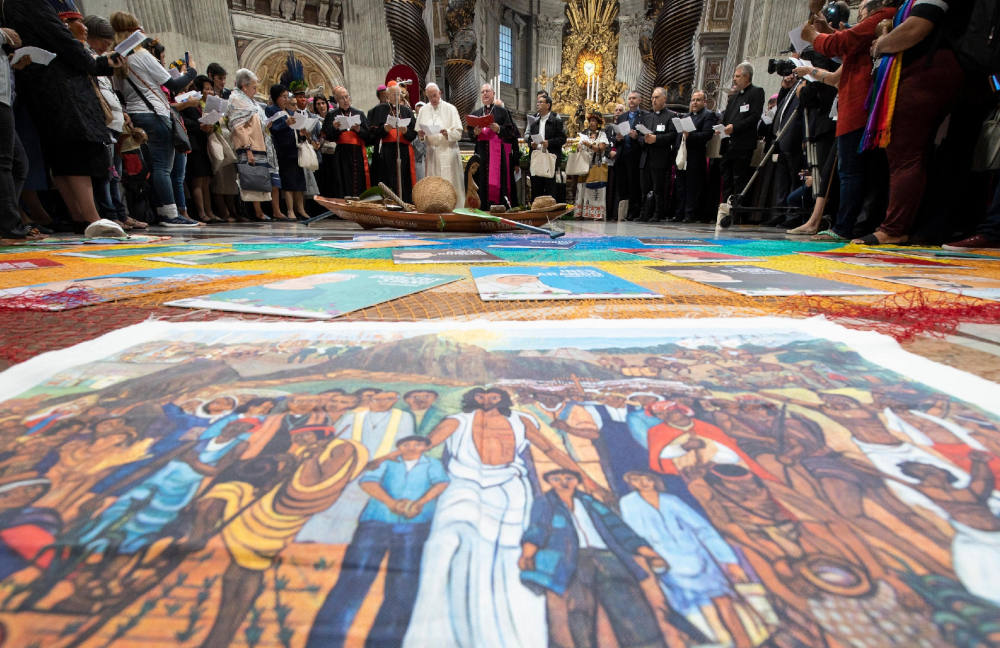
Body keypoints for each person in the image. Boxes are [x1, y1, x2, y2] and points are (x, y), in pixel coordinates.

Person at [401, 387, 603, 648]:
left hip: (511, 489)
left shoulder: (520, 421)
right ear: (473, 399)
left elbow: (552, 451)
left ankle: (517, 638)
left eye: (494, 396)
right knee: (445, 544)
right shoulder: (457, 421)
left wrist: (587, 479)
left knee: (512, 558)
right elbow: (427, 443)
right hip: (464, 484)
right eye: (481, 396)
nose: (487, 400)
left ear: (503, 399)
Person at [305, 435, 449, 648]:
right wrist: (391, 503)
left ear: (426, 447)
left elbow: (441, 483)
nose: (411, 447)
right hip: (376, 522)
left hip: (415, 525)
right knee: (354, 578)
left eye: (418, 444)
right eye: (406, 443)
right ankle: (324, 642)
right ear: (399, 446)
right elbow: (368, 482)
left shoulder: (433, 464)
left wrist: (420, 503)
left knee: (403, 585)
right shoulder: (386, 462)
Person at [5, 0, 127, 237]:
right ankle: (91, 217)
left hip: (45, 86)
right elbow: (60, 39)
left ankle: (81, 218)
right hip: (58, 87)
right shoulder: (32, 5)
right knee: (76, 150)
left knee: (62, 154)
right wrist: (97, 62)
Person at [518, 469, 675, 648]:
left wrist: (647, 552)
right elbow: (537, 528)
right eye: (556, 479)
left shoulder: (589, 501)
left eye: (568, 478)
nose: (563, 483)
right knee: (579, 611)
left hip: (605, 555)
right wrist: (528, 552)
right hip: (572, 559)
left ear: (576, 481)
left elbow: (617, 527)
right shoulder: (545, 503)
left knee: (630, 606)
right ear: (550, 482)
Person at [855, 0, 969, 245]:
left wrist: (881, 45)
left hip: (925, 72)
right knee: (916, 153)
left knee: (905, 152)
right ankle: (909, 225)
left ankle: (894, 227)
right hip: (932, 70)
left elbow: (916, 28)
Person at [619, 471, 752, 648]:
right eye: (637, 480)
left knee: (723, 600)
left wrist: (729, 560)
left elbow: (702, 529)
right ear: (631, 482)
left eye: (647, 479)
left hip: (697, 557)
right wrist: (650, 558)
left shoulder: (671, 501)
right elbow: (635, 535)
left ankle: (744, 644)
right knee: (686, 613)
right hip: (665, 563)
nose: (644, 483)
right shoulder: (629, 504)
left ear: (654, 480)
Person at [802, 0, 899, 241]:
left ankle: (845, 228)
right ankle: (850, 225)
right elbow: (849, 45)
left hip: (860, 101)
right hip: (856, 100)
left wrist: (814, 36)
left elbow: (844, 42)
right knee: (854, 171)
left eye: (863, 9)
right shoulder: (881, 19)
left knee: (852, 172)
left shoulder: (884, 15)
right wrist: (826, 32)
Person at [110, 11, 199, 227]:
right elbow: (173, 85)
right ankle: (169, 214)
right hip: (154, 113)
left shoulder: (119, 59)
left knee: (153, 166)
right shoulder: (142, 55)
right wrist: (192, 71)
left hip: (136, 113)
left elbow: (119, 91)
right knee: (162, 166)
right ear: (134, 31)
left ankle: (162, 210)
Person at [0, 24, 41, 239]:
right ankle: (9, 226)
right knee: (7, 162)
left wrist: (11, 62)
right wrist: (3, 35)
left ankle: (8, 221)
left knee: (18, 163)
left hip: (5, 97)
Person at [227, 68, 283, 222]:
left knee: (258, 178)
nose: (256, 90)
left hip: (259, 143)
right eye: (254, 87)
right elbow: (239, 126)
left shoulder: (249, 101)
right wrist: (247, 149)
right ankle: (254, 212)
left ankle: (259, 211)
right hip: (248, 145)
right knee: (250, 179)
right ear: (244, 87)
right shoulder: (237, 99)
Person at [718, 62, 765, 226]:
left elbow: (754, 117)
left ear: (746, 76)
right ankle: (725, 213)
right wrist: (722, 128)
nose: (735, 79)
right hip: (728, 145)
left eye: (738, 76)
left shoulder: (756, 92)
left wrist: (734, 127)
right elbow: (727, 118)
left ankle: (737, 214)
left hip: (743, 145)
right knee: (727, 181)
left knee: (740, 180)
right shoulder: (735, 96)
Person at [467, 83, 520, 210]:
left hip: (497, 153)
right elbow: (470, 134)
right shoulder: (476, 113)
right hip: (481, 153)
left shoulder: (502, 112)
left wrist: (499, 129)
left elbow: (511, 132)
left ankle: (498, 207)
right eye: (483, 92)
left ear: (493, 94)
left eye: (487, 91)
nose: (485, 94)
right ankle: (482, 207)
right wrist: (475, 133)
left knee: (498, 182)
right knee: (480, 179)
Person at [415, 82, 466, 208]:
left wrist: (447, 133)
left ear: (440, 93)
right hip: (432, 154)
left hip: (448, 151)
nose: (433, 99)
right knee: (434, 185)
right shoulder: (424, 110)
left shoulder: (451, 108)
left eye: (434, 95)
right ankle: (434, 209)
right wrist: (421, 135)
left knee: (450, 181)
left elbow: (459, 133)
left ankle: (455, 209)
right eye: (429, 97)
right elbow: (419, 134)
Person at [368, 84, 418, 202]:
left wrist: (406, 131)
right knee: (388, 177)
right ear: (387, 96)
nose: (396, 97)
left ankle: (405, 202)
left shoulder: (407, 111)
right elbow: (373, 132)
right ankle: (389, 202)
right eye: (393, 94)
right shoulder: (380, 110)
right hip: (387, 150)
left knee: (404, 178)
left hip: (403, 150)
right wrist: (384, 129)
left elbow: (413, 133)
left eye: (398, 94)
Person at [266, 84, 310, 220]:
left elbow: (296, 128)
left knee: (299, 182)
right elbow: (272, 129)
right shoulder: (271, 110)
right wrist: (285, 124)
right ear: (276, 97)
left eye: (287, 96)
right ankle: (290, 210)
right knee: (288, 182)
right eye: (283, 97)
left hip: (295, 149)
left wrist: (302, 132)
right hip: (283, 150)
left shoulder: (290, 112)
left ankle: (301, 209)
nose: (286, 99)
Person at [322, 85, 371, 198]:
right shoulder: (332, 115)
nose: (345, 100)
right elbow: (326, 136)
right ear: (337, 100)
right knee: (341, 179)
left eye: (347, 97)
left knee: (358, 179)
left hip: (357, 152)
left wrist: (358, 130)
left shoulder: (359, 113)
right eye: (342, 98)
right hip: (340, 154)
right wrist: (334, 128)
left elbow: (369, 136)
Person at [679, 90, 720, 223]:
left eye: (698, 100)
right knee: (682, 185)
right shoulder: (686, 116)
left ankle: (690, 214)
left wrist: (690, 135)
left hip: (696, 155)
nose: (694, 103)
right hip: (684, 154)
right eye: (693, 100)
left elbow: (707, 135)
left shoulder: (708, 115)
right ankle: (681, 212)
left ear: (704, 102)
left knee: (693, 186)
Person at [637, 87, 677, 222]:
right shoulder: (647, 116)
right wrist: (644, 139)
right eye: (652, 97)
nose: (653, 100)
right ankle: (644, 213)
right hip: (646, 157)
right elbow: (639, 136)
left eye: (656, 97)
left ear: (664, 99)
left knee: (658, 189)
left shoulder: (671, 116)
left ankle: (657, 214)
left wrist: (656, 139)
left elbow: (672, 136)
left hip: (660, 158)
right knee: (644, 188)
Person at [527, 92, 565, 200]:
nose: (537, 104)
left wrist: (549, 143)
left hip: (549, 159)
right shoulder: (534, 123)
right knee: (536, 189)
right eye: (537, 102)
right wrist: (532, 144)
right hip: (537, 158)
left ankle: (550, 214)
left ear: (548, 105)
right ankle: (537, 215)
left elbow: (563, 139)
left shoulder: (556, 122)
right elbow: (529, 139)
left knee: (550, 189)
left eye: (540, 102)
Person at [615, 91, 646, 221]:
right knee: (623, 185)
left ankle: (634, 212)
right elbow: (617, 137)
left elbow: (646, 135)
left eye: (634, 98)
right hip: (623, 155)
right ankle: (623, 212)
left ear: (639, 100)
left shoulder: (645, 116)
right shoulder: (623, 117)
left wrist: (636, 136)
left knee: (634, 185)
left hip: (636, 155)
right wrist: (618, 138)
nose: (631, 101)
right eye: (629, 99)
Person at [575, 112, 609, 221]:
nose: (592, 123)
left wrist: (588, 144)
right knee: (582, 190)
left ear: (598, 123)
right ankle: (582, 213)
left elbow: (600, 148)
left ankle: (596, 214)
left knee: (596, 190)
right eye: (590, 121)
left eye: (594, 121)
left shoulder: (602, 134)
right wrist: (579, 146)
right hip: (584, 165)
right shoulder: (584, 134)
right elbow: (578, 148)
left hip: (597, 165)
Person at [604, 103, 625, 219]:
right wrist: (609, 152)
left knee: (619, 188)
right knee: (609, 188)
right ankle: (608, 213)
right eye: (616, 110)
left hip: (621, 160)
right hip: (610, 161)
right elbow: (604, 141)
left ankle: (617, 214)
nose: (617, 112)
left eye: (620, 110)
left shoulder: (626, 126)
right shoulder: (608, 127)